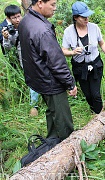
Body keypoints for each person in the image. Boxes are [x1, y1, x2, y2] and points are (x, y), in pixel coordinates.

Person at [18, 0, 77, 140]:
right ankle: (67, 148)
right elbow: (56, 62)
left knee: (52, 111)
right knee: (62, 117)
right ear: (40, 3)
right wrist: (70, 83)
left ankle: (52, 140)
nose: (55, 8)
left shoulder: (26, 21)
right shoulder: (42, 30)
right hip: (51, 81)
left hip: (38, 78)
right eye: (52, 4)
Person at [62, 1, 105, 114]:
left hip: (95, 64)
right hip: (80, 67)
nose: (87, 19)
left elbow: (102, 43)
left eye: (88, 16)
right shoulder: (68, 32)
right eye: (83, 17)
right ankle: (94, 113)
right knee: (87, 94)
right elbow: (63, 51)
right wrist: (72, 52)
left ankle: (100, 115)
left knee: (95, 94)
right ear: (76, 17)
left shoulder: (94, 28)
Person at [2, 5, 40, 117]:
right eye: (14, 18)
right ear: (9, 19)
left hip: (38, 58)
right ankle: (34, 105)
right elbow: (8, 48)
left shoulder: (30, 25)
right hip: (25, 61)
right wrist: (5, 38)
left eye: (19, 16)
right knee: (32, 82)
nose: (18, 19)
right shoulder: (11, 31)